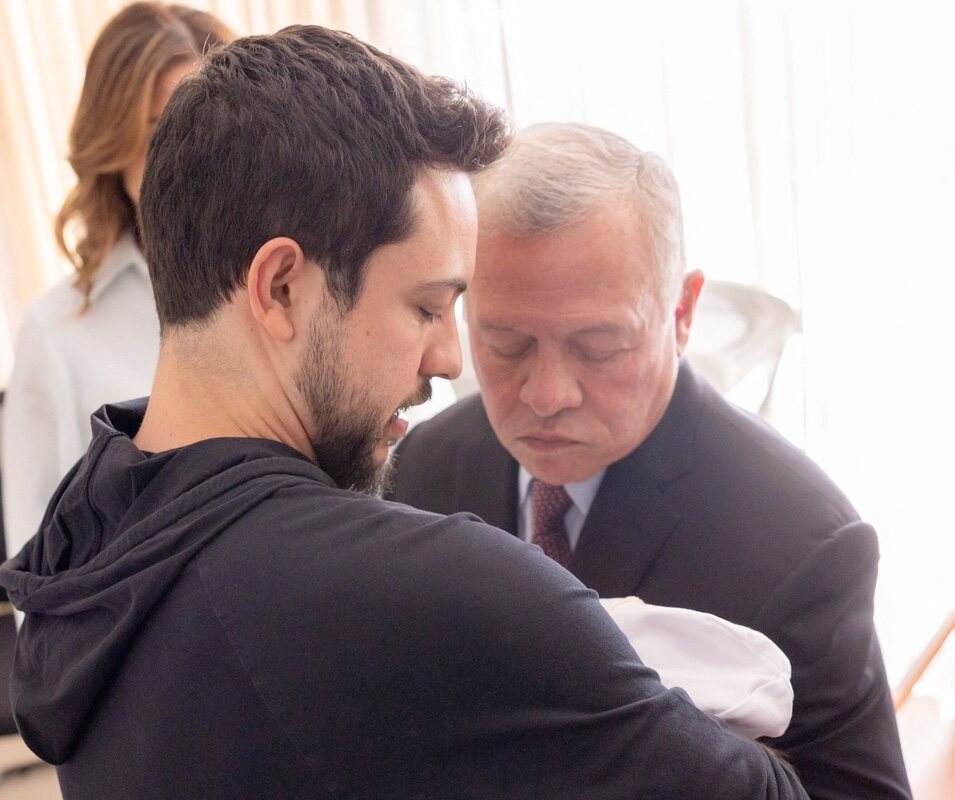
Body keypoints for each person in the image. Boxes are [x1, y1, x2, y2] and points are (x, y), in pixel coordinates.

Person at [0, 28, 809, 800]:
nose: (448, 360)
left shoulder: (86, 545)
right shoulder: (429, 594)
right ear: (281, 287)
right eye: (427, 308)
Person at [391, 122, 912, 800]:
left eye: (599, 346)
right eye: (505, 342)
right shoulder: (417, 473)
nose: (546, 396)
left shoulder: (800, 543)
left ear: (682, 312)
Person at [1, 2, 234, 566]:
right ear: (115, 143)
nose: (189, 156)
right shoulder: (57, 335)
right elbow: (40, 583)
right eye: (162, 131)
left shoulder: (292, 289)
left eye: (208, 127)